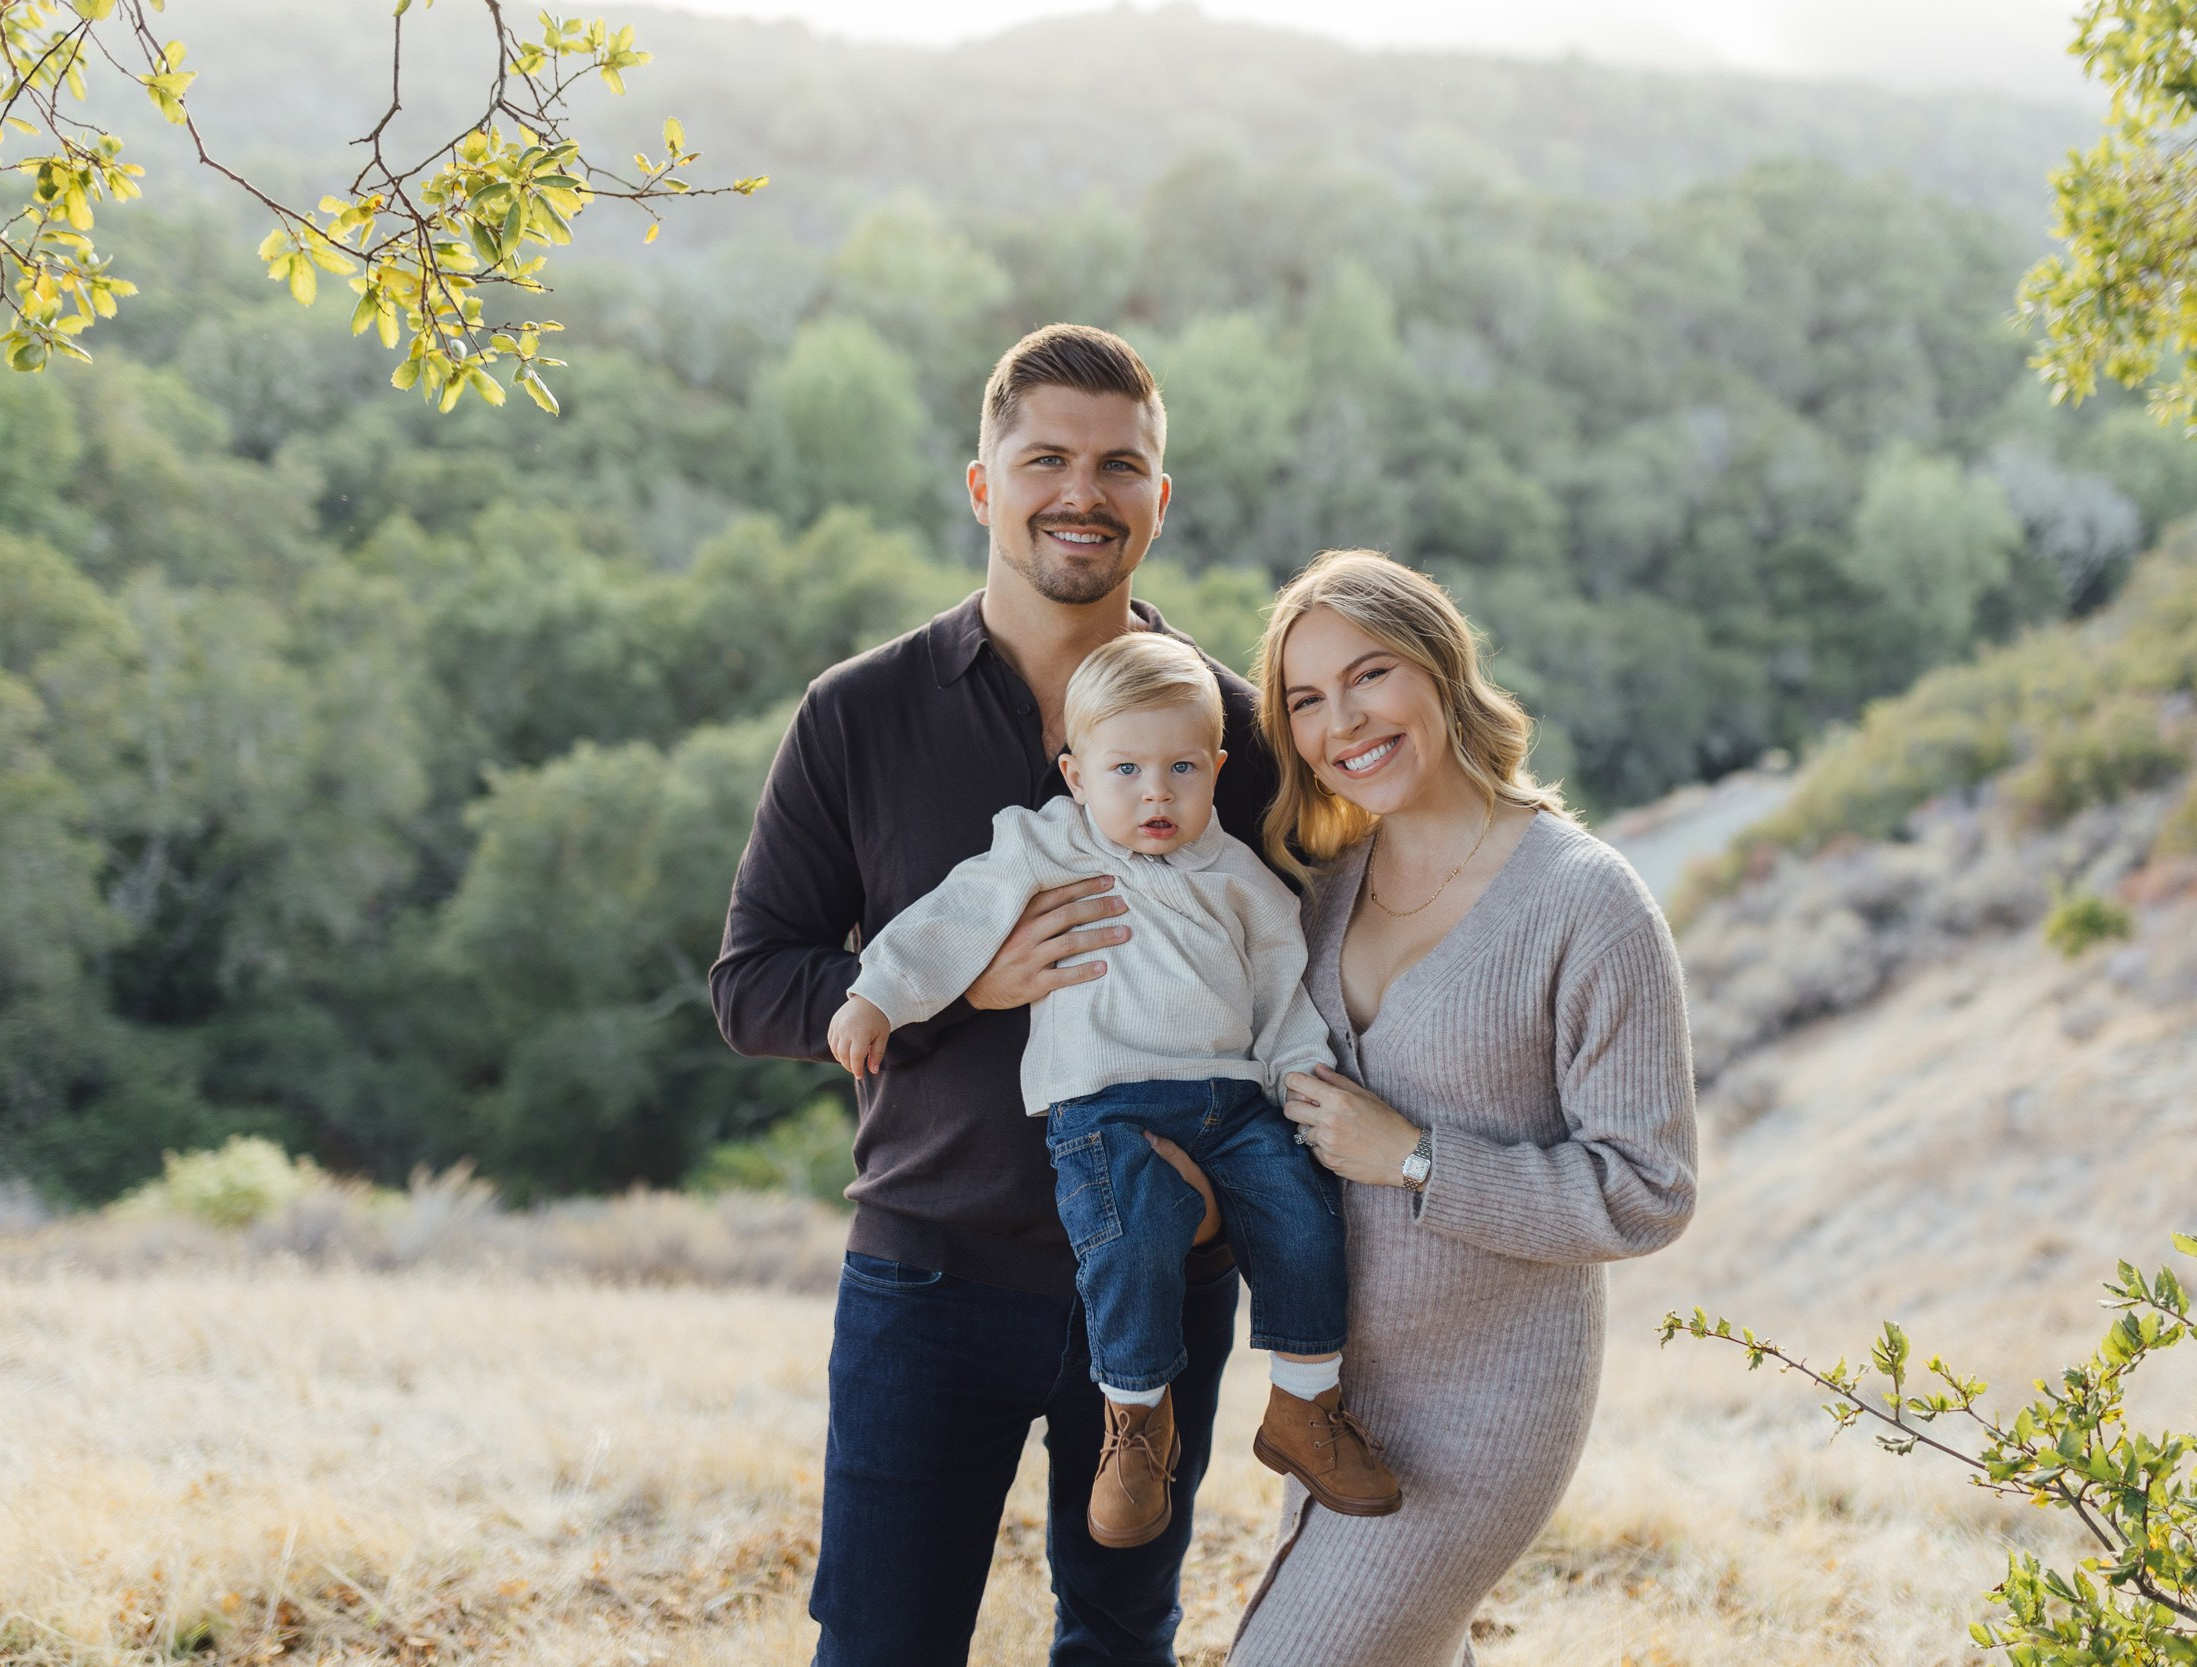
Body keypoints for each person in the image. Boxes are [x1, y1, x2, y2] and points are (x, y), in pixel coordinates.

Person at [711, 324, 1266, 1665]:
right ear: (982, 485)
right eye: (1046, 460)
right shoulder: (859, 713)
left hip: (1162, 1281)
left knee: (1121, 1642)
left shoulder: (1236, 732)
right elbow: (754, 981)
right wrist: (960, 983)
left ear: (1158, 497)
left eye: (1118, 464)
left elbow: (1318, 978)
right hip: (927, 1277)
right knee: (880, 1646)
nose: (1083, 491)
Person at [1199, 548, 1700, 1666]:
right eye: (1305, 699)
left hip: (1484, 1407)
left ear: (1440, 666)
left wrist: (1417, 1158)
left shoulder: (1587, 903)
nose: (1342, 722)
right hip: (1327, 1398)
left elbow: (1649, 1191)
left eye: (1369, 674)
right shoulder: (1322, 892)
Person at [825, 630, 1401, 1550]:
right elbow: (956, 914)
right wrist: (878, 993)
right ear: (1076, 774)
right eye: (1125, 769)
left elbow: (1281, 992)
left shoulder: (1241, 878)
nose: (1155, 793)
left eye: (1181, 768)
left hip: (1233, 1100)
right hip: (1106, 1103)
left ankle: (1305, 1405)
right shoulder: (1050, 843)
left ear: (1217, 769)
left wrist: (1299, 1074)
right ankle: (1133, 1420)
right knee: (1129, 1239)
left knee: (1301, 1213)